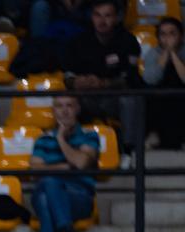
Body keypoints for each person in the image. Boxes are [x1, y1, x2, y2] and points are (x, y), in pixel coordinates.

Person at [61, 0, 142, 152]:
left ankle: (129, 151)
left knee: (130, 100)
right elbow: (67, 76)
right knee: (65, 99)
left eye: (107, 16)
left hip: (113, 98)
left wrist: (104, 83)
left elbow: (131, 79)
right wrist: (76, 81)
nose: (102, 21)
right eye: (97, 15)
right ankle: (68, 147)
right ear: (92, 17)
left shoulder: (128, 41)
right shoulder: (78, 41)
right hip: (86, 97)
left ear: (117, 18)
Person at [29, 95, 99, 232]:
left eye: (69, 106)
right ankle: (67, 231)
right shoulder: (43, 140)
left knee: (45, 196)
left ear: (77, 109)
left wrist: (60, 138)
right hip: (53, 195)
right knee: (48, 187)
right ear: (53, 111)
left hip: (79, 198)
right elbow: (34, 171)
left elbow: (81, 163)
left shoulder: (90, 136)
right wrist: (63, 167)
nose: (65, 111)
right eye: (59, 106)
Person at [142, 17, 185, 149]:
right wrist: (167, 52)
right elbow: (151, 79)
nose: (168, 38)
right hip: (160, 97)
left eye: (172, 33)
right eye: (163, 34)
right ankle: (154, 133)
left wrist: (174, 54)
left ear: (181, 36)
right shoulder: (153, 53)